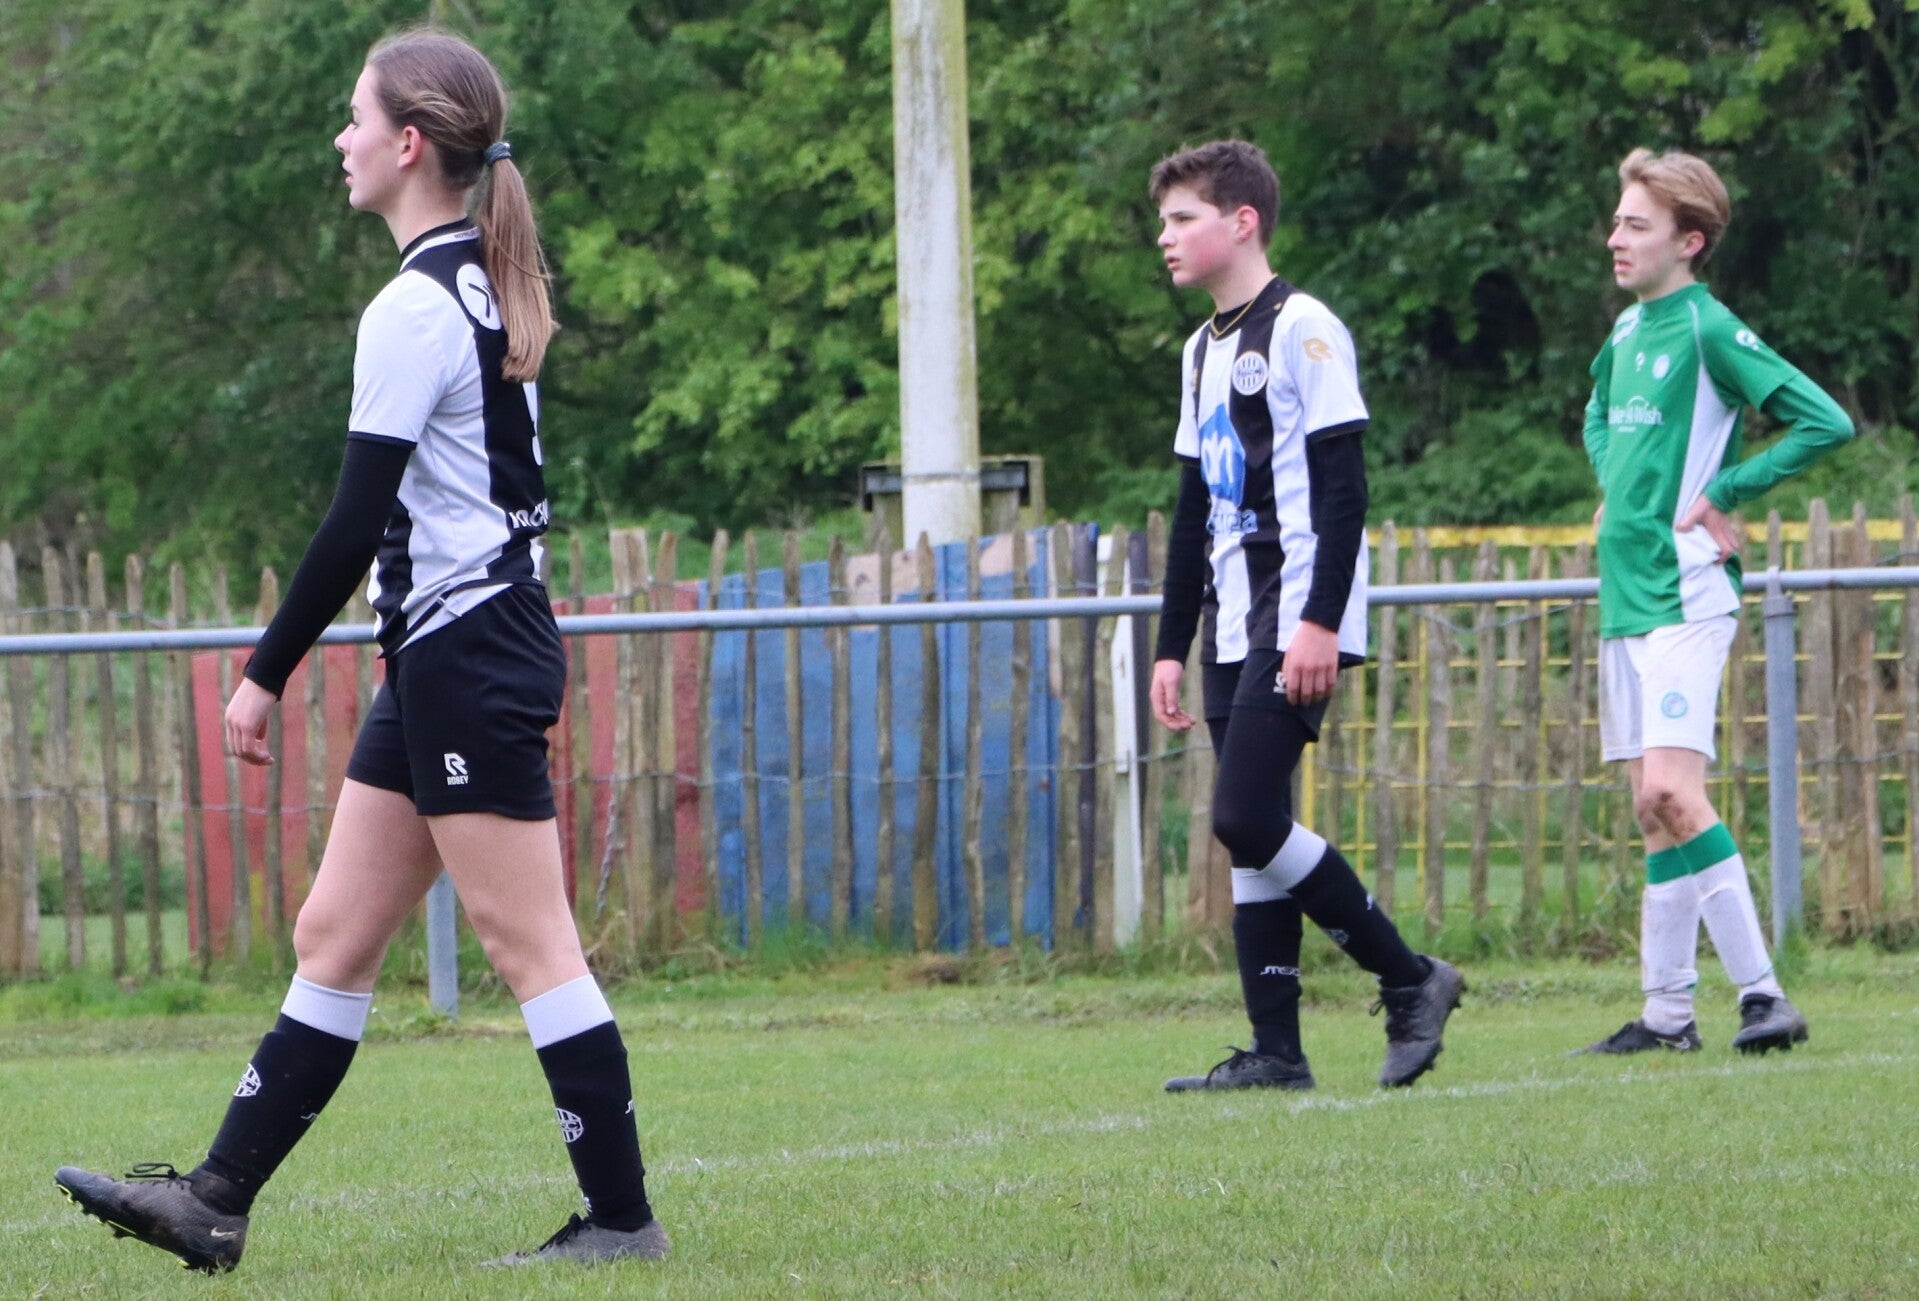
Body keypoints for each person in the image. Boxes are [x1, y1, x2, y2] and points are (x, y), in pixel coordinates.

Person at [54, 29, 668, 1270]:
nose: (340, 140)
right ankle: (214, 1201)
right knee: (332, 933)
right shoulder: (476, 279)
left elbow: (351, 521)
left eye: (355, 119)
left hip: (466, 652)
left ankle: (619, 1219)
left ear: (408, 143)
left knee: (531, 944)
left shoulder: (414, 305)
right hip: (450, 653)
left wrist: (263, 671)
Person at [1147, 140, 1465, 1093]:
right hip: (1230, 619)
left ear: (1241, 221)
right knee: (1257, 831)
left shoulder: (1302, 327)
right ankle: (1277, 1052)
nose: (1164, 236)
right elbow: (1193, 511)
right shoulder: (1198, 352)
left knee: (1241, 814)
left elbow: (1343, 489)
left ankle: (1409, 975)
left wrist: (1319, 621)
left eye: (1182, 218)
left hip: (1293, 612)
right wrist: (1169, 646)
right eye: (1163, 221)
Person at [1580, 148, 1852, 1056]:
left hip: (1685, 589)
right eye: (1616, 221)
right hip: (1625, 592)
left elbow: (1824, 420)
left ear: (1688, 242)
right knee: (1649, 808)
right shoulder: (1626, 331)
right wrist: (1614, 484)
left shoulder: (1707, 328)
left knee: (1671, 790)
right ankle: (1666, 1015)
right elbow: (1595, 414)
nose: (1615, 238)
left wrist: (1726, 488)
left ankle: (1764, 994)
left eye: (1635, 225)